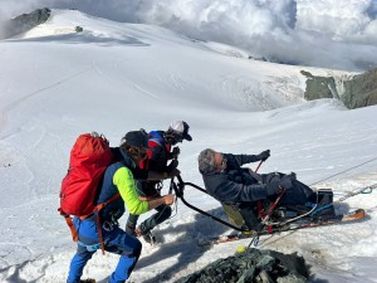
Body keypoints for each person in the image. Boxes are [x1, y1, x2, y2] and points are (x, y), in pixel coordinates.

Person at [67, 130, 176, 283]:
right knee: (133, 249)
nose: (144, 158)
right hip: (97, 228)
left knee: (82, 254)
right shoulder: (122, 171)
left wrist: (165, 175)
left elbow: (140, 174)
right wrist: (163, 200)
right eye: (144, 154)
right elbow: (136, 208)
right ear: (135, 150)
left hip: (81, 221)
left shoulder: (113, 158)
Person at [197, 148, 318, 230]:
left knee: (277, 177)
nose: (226, 161)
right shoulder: (218, 185)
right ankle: (311, 207)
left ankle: (310, 197)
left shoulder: (220, 159)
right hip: (245, 203)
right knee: (279, 188)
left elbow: (236, 159)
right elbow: (247, 193)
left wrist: (258, 157)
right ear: (216, 169)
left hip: (249, 180)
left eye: (223, 158)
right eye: (222, 162)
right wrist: (278, 187)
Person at [126, 121, 193, 243]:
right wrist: (168, 172)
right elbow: (146, 172)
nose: (180, 142)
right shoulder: (156, 147)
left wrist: (171, 156)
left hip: (142, 184)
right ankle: (137, 231)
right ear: (175, 136)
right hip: (143, 184)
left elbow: (156, 160)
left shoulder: (159, 136)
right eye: (180, 139)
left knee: (136, 209)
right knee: (164, 211)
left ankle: (131, 233)